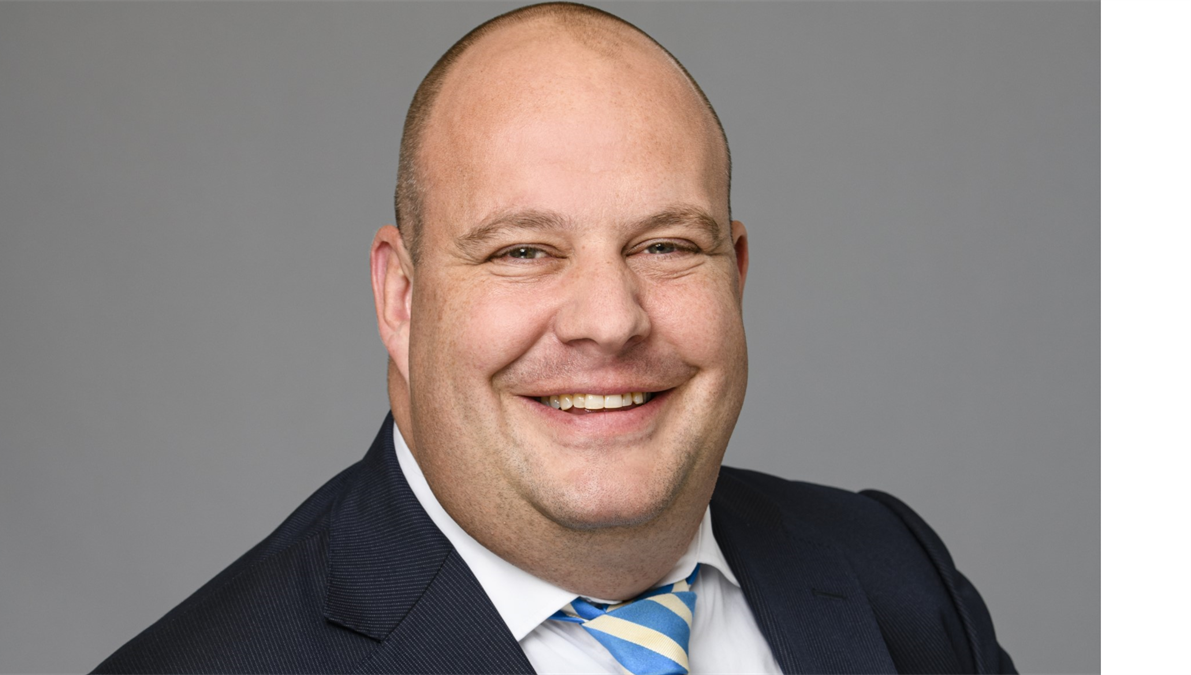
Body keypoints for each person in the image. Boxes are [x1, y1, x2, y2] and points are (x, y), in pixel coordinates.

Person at [93, 3, 1016, 674]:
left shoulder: (896, 576)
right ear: (402, 297)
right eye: (524, 251)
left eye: (665, 245)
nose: (608, 320)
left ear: (735, 274)